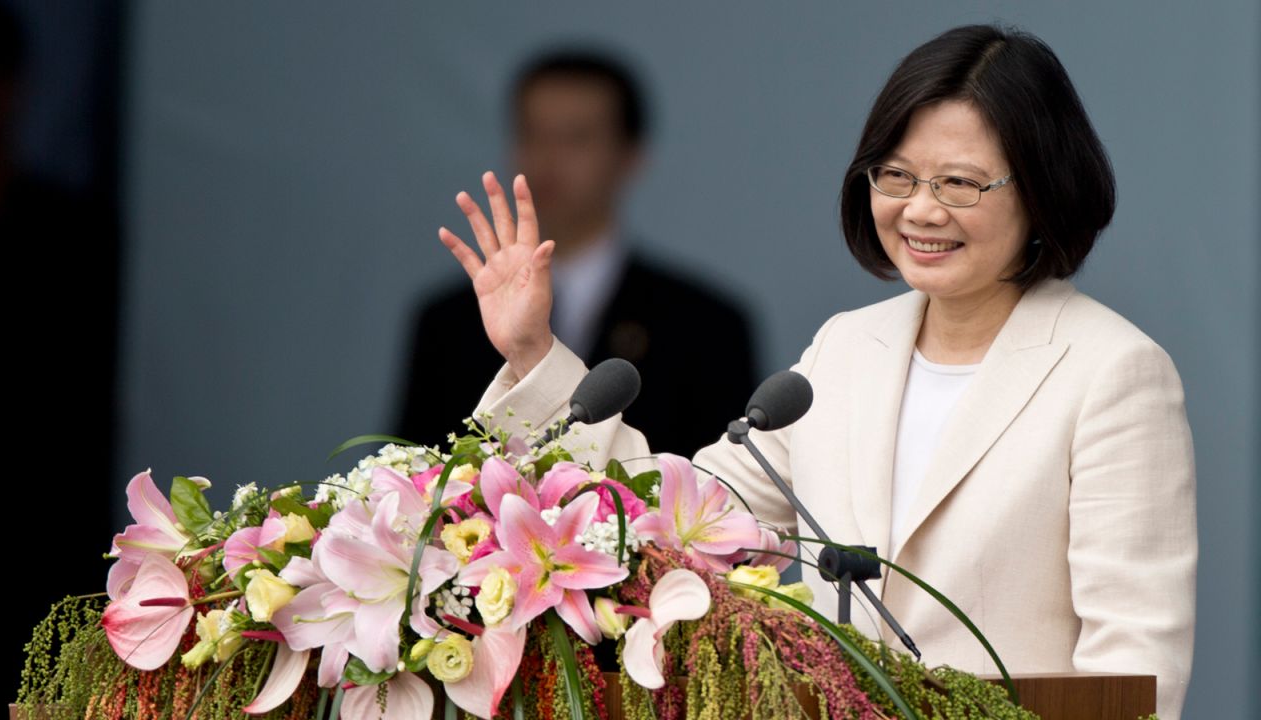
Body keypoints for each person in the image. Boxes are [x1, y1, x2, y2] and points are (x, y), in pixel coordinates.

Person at [436, 24, 1197, 719]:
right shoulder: (845, 349)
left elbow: (1136, 670)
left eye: (960, 184)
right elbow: (676, 523)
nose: (921, 211)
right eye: (895, 176)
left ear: (1042, 187)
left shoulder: (1113, 372)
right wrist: (533, 352)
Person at [396, 48, 757, 457]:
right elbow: (412, 478)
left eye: (575, 138)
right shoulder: (449, 321)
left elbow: (722, 491)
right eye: (533, 135)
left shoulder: (705, 325)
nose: (548, 160)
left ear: (630, 156)